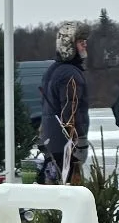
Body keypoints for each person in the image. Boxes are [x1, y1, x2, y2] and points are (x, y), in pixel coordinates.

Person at [37, 24, 91, 185]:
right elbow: (71, 111)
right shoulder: (70, 74)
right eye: (81, 42)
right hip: (65, 144)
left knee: (54, 184)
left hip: (52, 139)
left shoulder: (53, 70)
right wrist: (79, 141)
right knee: (69, 188)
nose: (85, 45)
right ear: (70, 46)